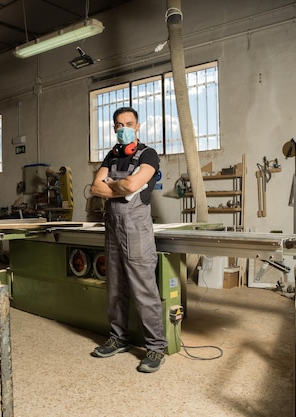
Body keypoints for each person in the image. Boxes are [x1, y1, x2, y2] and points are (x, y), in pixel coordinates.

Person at [90, 106, 167, 373]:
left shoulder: (149, 154)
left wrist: (112, 183)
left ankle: (156, 348)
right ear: (114, 128)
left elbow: (133, 186)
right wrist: (119, 187)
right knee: (115, 287)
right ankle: (118, 338)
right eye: (119, 124)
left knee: (143, 288)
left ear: (137, 126)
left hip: (136, 229)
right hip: (112, 227)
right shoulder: (111, 155)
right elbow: (94, 187)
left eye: (129, 123)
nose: (124, 128)